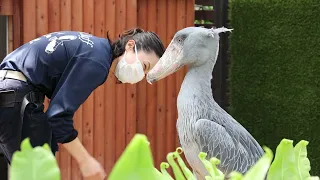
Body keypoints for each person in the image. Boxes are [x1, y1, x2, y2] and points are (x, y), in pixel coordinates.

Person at [0, 28, 165, 179]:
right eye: (144, 66)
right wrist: (85, 161)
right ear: (130, 45)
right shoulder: (97, 61)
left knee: (41, 160)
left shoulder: (93, 47)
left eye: (146, 72)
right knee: (37, 173)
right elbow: (58, 115)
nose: (141, 74)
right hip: (16, 94)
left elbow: (56, 109)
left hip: (9, 90)